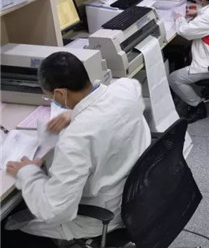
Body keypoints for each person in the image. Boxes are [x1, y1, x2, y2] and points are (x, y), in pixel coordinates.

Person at [2, 52, 150, 247]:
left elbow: (55, 211)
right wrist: (76, 112)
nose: (50, 99)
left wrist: (28, 173)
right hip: (139, 197)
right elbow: (106, 106)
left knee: (8, 226)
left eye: (49, 96)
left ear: (60, 94)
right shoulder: (126, 88)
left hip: (102, 216)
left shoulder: (75, 139)